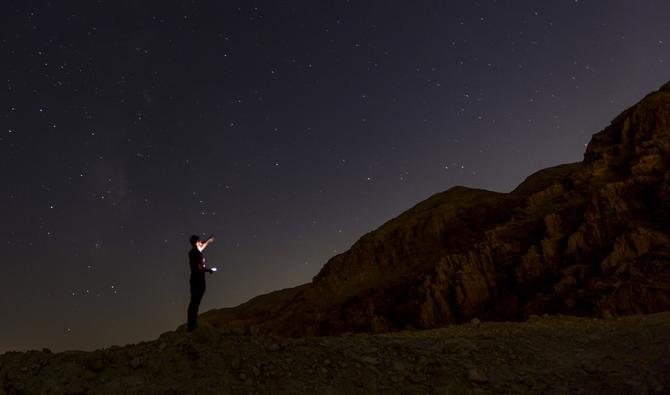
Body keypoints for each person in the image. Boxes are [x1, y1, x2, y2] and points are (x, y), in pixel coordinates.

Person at [187, 234, 216, 332]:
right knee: (194, 302)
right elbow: (199, 268)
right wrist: (209, 270)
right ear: (196, 243)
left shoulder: (195, 251)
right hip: (197, 279)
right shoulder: (195, 253)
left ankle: (192, 324)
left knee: (195, 302)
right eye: (200, 241)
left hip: (197, 279)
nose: (201, 242)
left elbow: (203, 245)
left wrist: (209, 240)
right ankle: (192, 326)